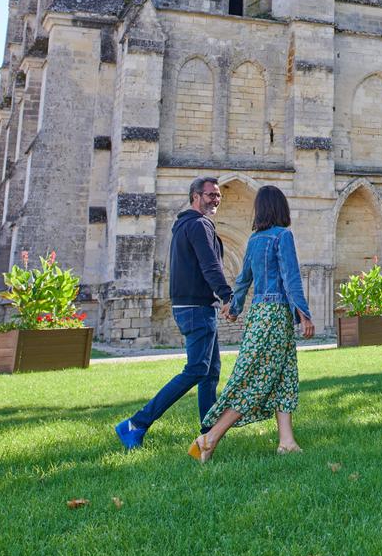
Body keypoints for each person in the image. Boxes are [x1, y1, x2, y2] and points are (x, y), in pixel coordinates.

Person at [189, 184, 314, 461]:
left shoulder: (255, 240)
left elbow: (243, 278)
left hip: (258, 313)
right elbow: (290, 277)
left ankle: (287, 441)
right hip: (275, 315)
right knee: (256, 381)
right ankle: (209, 439)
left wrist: (234, 307)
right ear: (281, 208)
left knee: (284, 376)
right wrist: (304, 314)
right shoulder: (283, 236)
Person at [115, 176, 233, 449]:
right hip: (196, 308)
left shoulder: (183, 226)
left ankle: (208, 432)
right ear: (195, 196)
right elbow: (210, 265)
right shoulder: (198, 225)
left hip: (193, 306)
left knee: (210, 371)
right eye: (210, 195)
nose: (215, 199)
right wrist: (226, 295)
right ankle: (137, 422)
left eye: (218, 196)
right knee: (195, 370)